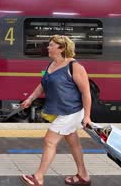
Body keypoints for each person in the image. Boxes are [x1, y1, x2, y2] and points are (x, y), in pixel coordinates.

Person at [20, 35, 93, 186]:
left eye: (51, 45)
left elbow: (86, 92)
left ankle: (38, 177)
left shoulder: (75, 67)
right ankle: (83, 176)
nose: (48, 47)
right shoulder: (51, 64)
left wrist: (87, 116)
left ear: (61, 48)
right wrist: (30, 99)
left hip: (71, 111)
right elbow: (42, 85)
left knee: (49, 141)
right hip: (60, 111)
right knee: (74, 143)